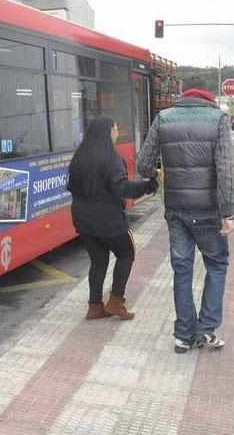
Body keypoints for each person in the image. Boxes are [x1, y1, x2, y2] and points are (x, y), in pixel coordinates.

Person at [136, 75, 234, 353]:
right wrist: (228, 213)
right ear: (207, 95)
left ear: (183, 93)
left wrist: (156, 173)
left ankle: (183, 336)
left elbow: (143, 163)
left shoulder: (164, 118)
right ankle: (206, 329)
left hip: (176, 210)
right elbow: (226, 171)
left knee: (182, 271)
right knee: (216, 265)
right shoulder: (218, 120)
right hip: (207, 211)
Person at [67, 116, 158, 321]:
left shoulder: (79, 157)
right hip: (108, 219)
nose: (117, 133)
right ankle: (116, 302)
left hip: (82, 218)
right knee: (127, 253)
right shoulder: (111, 157)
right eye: (116, 129)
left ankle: (95, 306)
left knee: (98, 261)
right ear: (109, 132)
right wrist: (150, 185)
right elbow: (122, 188)